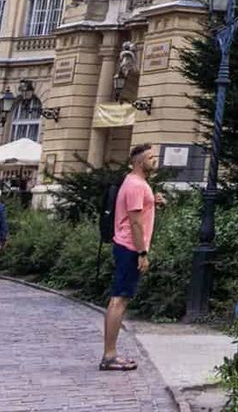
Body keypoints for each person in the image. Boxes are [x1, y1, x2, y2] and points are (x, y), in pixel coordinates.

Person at [100, 143, 164, 372]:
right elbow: (135, 223)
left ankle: (110, 353)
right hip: (130, 247)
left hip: (125, 245)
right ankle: (109, 355)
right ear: (139, 162)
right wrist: (142, 252)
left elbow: (137, 211)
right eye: (151, 157)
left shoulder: (134, 183)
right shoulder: (137, 185)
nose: (154, 160)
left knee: (119, 298)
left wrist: (152, 201)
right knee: (120, 299)